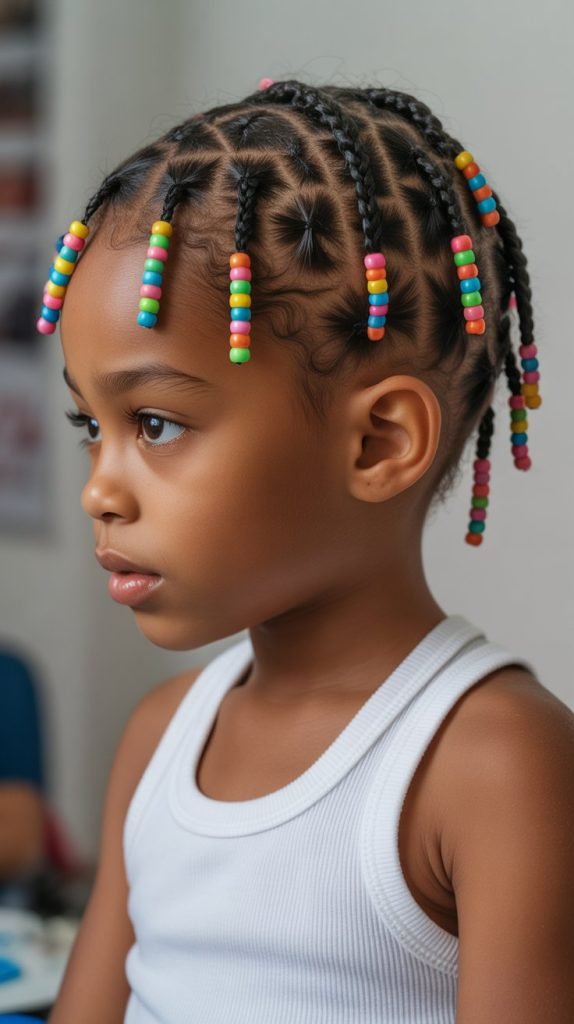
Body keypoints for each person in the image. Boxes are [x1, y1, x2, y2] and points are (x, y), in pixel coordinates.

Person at [38, 79, 573, 1023]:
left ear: (377, 444)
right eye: (93, 422)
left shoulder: (493, 763)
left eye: (155, 423)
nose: (99, 489)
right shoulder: (162, 737)